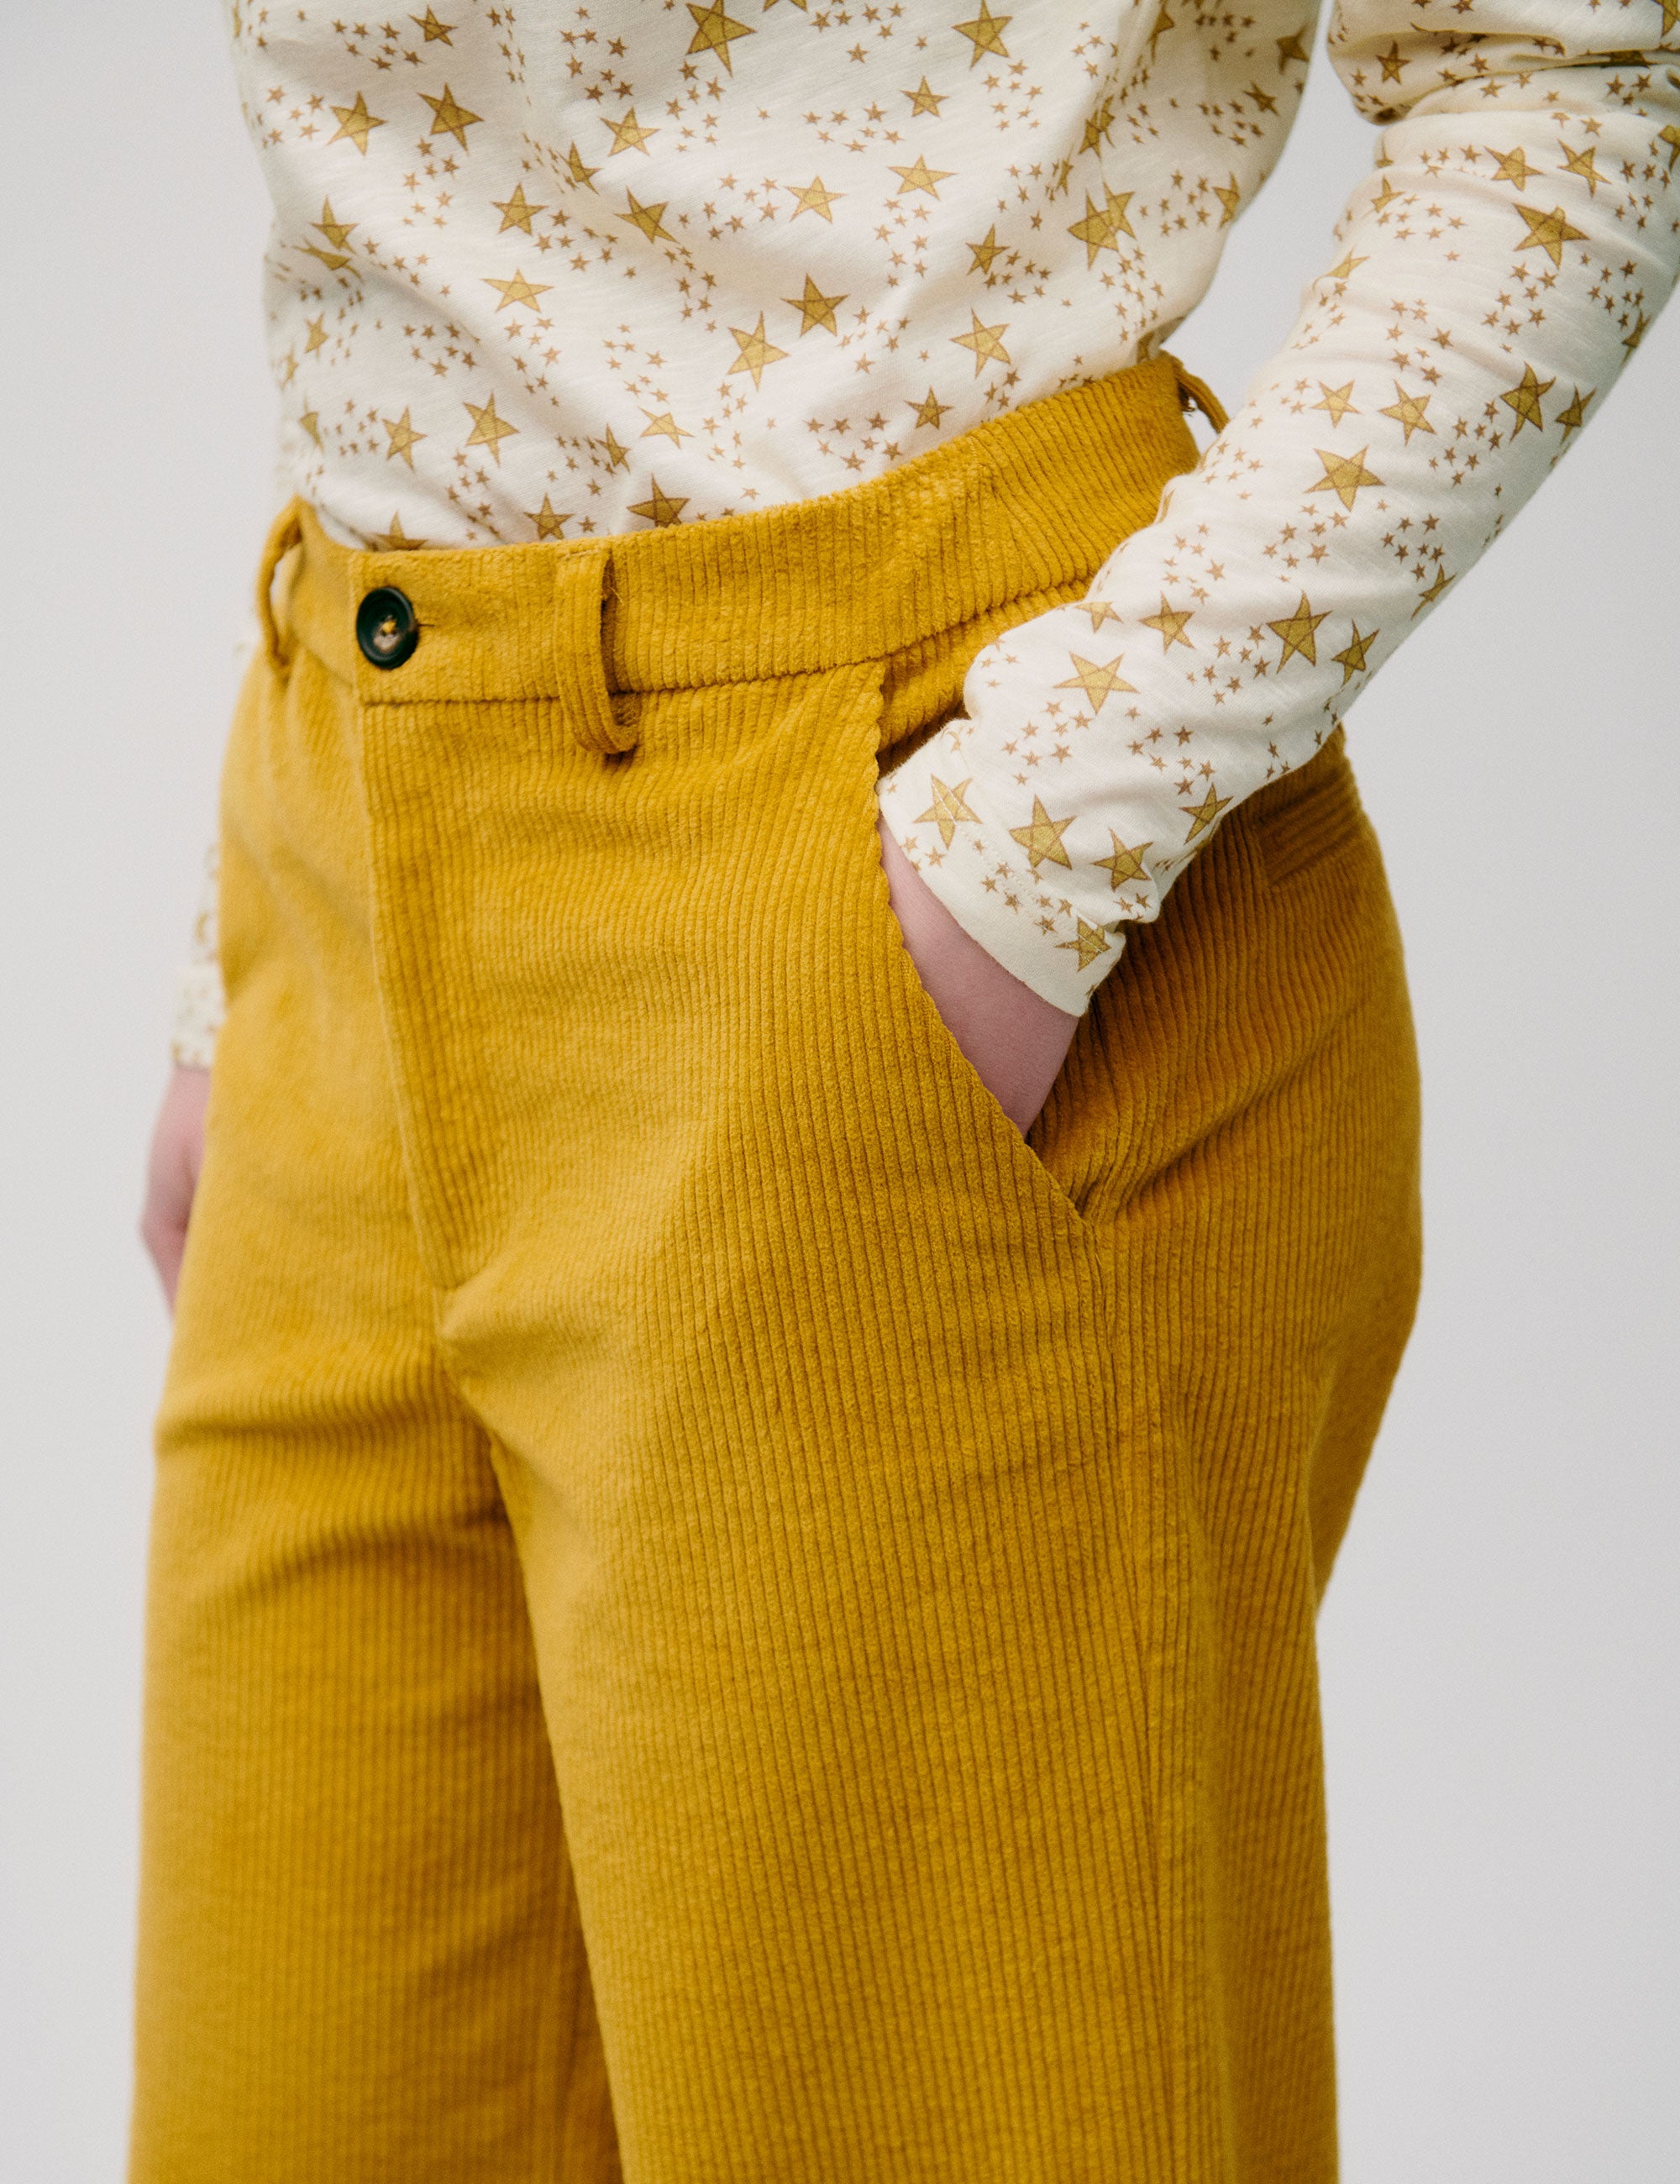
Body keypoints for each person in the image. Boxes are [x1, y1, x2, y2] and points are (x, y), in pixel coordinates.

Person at [133, 2, 1677, 2177]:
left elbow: (1564, 67)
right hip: (349, 853)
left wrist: (1030, 855)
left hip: (923, 843)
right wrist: (260, 938)